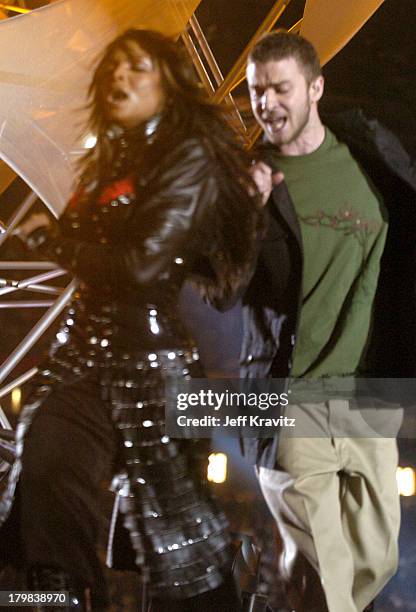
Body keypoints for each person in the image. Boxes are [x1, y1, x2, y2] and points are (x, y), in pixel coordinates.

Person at [0, 28, 262, 611]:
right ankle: (48, 602)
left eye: (137, 68)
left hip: (149, 366)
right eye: (112, 69)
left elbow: (143, 266)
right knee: (44, 479)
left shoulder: (188, 157)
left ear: (168, 86)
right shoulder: (107, 160)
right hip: (83, 358)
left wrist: (60, 245)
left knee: (180, 543)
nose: (119, 77)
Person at [241, 30, 416, 612]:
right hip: (292, 399)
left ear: (316, 88)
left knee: (375, 561)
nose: (267, 104)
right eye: (257, 92)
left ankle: (283, 589)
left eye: (280, 88)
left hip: (366, 397)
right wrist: (241, 219)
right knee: (333, 575)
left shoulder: (367, 149)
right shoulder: (247, 184)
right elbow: (220, 291)